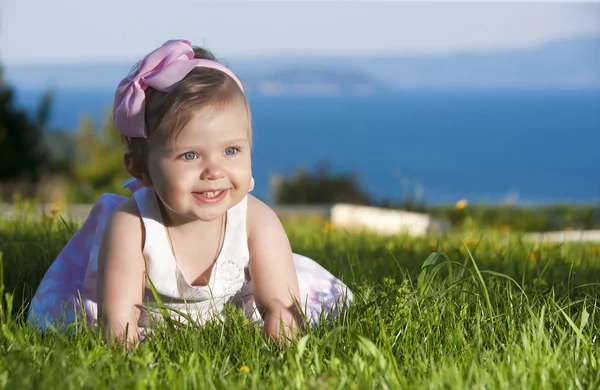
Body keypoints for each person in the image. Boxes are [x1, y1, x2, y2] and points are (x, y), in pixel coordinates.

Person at [27, 39, 353, 346]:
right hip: (155, 323)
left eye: (231, 151)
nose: (214, 171)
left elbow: (281, 306)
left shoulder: (257, 221)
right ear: (141, 168)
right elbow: (119, 321)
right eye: (190, 155)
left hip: (236, 311)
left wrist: (284, 353)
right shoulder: (131, 226)